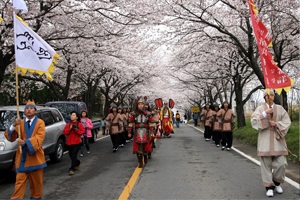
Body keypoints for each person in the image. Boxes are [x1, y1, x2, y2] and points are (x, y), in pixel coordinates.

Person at [251, 89, 291, 197]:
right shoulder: (260, 108)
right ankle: (269, 187)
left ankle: (276, 182)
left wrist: (277, 124)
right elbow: (253, 121)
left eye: (272, 95)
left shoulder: (280, 108)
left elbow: (287, 121)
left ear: (274, 96)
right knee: (266, 164)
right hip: (265, 138)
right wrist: (264, 114)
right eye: (268, 96)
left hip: (278, 138)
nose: (270, 97)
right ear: (264, 97)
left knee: (281, 163)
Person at [4, 100, 47, 199]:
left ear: (35, 111)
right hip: (22, 157)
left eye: (31, 108)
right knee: (19, 182)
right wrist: (13, 125)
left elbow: (40, 138)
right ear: (24, 111)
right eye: (27, 108)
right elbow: (10, 137)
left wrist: (26, 142)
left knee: (37, 185)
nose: (29, 110)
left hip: (35, 157)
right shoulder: (20, 123)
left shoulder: (40, 122)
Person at [127, 97, 154, 168]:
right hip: (137, 132)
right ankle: (140, 162)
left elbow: (151, 124)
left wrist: (151, 132)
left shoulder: (148, 114)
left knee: (145, 147)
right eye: (139, 104)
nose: (140, 106)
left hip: (146, 132)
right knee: (138, 148)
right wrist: (129, 132)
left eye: (142, 104)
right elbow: (130, 123)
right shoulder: (134, 114)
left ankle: (145, 157)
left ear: (144, 105)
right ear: (137, 105)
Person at [63, 111, 85, 175]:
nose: (72, 116)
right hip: (69, 142)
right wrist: (70, 129)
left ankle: (72, 168)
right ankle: (77, 163)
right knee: (71, 155)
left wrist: (76, 129)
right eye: (71, 115)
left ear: (76, 117)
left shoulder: (79, 124)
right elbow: (65, 132)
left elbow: (81, 132)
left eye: (73, 115)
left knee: (73, 154)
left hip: (77, 142)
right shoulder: (68, 124)